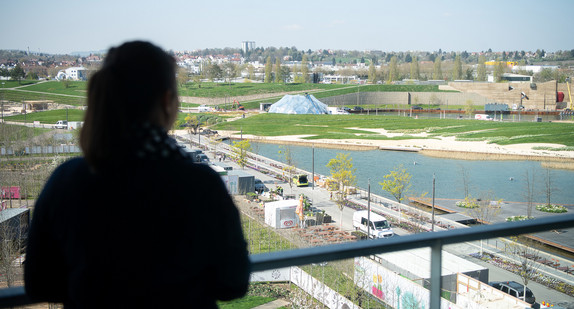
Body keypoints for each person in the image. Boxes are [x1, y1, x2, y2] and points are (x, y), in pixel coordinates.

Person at [24, 41, 250, 308]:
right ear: (167, 102)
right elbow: (233, 282)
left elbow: (39, 283)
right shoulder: (199, 185)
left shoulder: (66, 181)